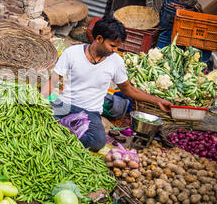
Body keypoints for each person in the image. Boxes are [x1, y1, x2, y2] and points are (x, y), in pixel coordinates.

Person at [41, 16, 173, 152]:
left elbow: (128, 90)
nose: (115, 50)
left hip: (90, 112)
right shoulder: (72, 53)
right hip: (65, 105)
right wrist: (39, 103)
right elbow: (52, 81)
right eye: (112, 46)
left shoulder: (116, 62)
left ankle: (58, 136)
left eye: (117, 46)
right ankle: (65, 136)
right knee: (40, 122)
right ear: (99, 39)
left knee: (98, 142)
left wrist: (157, 101)